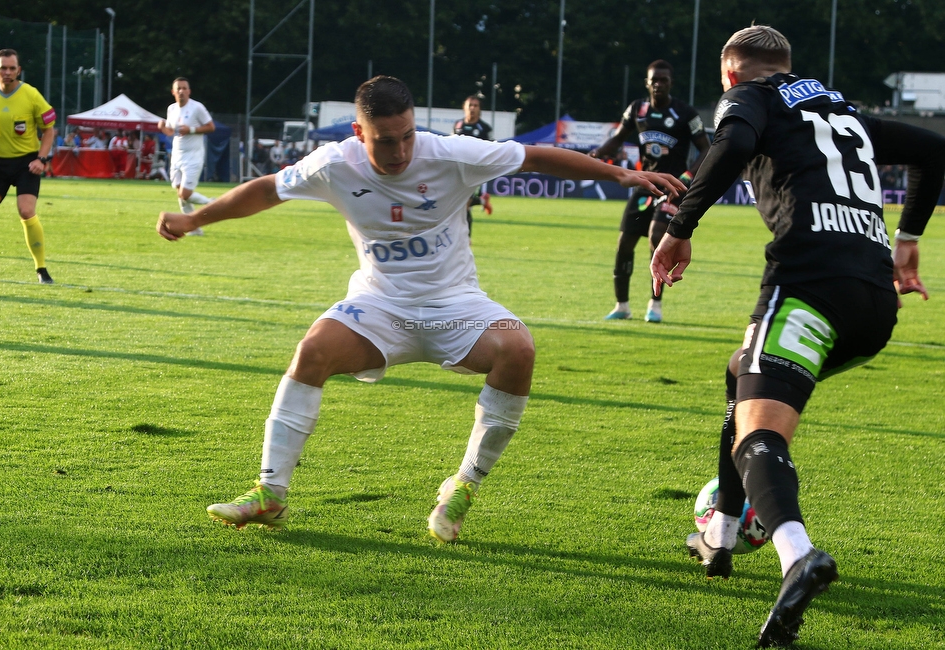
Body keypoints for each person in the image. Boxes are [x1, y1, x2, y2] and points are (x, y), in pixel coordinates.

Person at [156, 75, 685, 543]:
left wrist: (620, 176)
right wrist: (194, 218)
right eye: (387, 140)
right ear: (360, 134)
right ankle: (270, 493)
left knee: (519, 348)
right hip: (378, 306)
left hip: (457, 306)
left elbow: (534, 157)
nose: (401, 150)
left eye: (408, 134)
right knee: (313, 349)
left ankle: (462, 488)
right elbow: (267, 191)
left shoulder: (448, 152)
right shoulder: (334, 163)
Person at [649, 25, 945, 648]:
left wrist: (680, 226)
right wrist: (909, 239)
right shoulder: (842, 108)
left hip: (808, 286)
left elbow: (732, 143)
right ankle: (722, 534)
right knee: (741, 373)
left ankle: (796, 555)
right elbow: (932, 150)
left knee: (759, 428)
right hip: (872, 305)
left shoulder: (748, 96)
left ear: (731, 74)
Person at [590, 60, 711, 322]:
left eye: (663, 80)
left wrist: (688, 175)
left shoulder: (685, 113)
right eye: (654, 79)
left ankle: (655, 305)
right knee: (624, 244)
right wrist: (598, 153)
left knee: (657, 236)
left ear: (670, 83)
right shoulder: (638, 109)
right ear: (647, 82)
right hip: (645, 185)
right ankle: (622, 306)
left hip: (673, 188)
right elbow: (619, 138)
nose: (658, 84)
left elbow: (706, 147)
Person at [0, 49, 57, 283]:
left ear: (18, 70)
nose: (7, 72)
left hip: (26, 163)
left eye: (12, 68)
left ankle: (41, 269)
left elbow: (49, 130)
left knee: (26, 210)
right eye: (3, 68)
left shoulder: (31, 95)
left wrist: (42, 159)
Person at [157, 77, 215, 235]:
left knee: (185, 194)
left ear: (189, 91)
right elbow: (171, 132)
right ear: (173, 92)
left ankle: (211, 203)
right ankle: (194, 229)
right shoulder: (172, 109)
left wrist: (192, 130)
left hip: (194, 155)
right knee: (180, 194)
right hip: (177, 155)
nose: (181, 91)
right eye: (179, 89)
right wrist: (163, 127)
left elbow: (211, 127)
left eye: (184, 88)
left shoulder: (197, 108)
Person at [453, 95, 493, 237]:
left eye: (475, 105)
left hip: (474, 170)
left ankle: (466, 237)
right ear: (464, 107)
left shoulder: (484, 128)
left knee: (464, 204)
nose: (472, 108)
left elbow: (490, 149)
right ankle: (481, 200)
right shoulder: (458, 125)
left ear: (479, 109)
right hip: (458, 170)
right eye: (470, 105)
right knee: (460, 204)